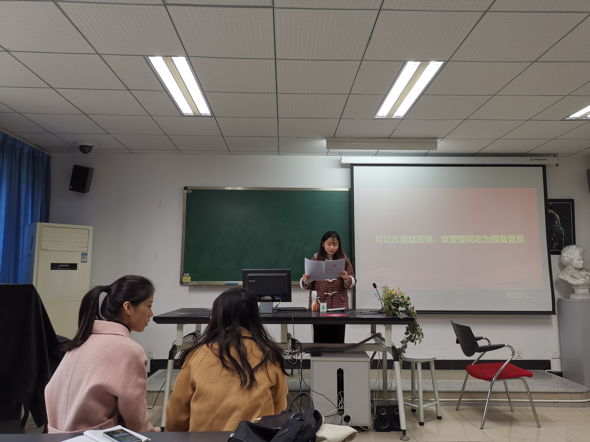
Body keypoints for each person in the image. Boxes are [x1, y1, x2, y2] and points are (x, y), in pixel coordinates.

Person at [45, 275, 159, 434]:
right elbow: (136, 423)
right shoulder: (130, 350)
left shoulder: (81, 341)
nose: (151, 313)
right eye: (149, 305)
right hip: (94, 437)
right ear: (128, 307)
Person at [165, 287, 288, 432]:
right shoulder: (269, 356)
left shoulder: (197, 355)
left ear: (217, 316)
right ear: (255, 317)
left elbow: (176, 415)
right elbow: (279, 412)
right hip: (251, 438)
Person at [301, 231, 356, 343]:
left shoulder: (344, 260)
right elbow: (308, 285)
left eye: (335, 245)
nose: (332, 247)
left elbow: (352, 283)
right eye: (329, 244)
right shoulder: (315, 260)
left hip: (339, 306)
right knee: (319, 340)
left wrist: (346, 278)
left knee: (338, 341)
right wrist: (305, 280)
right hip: (319, 306)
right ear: (323, 244)